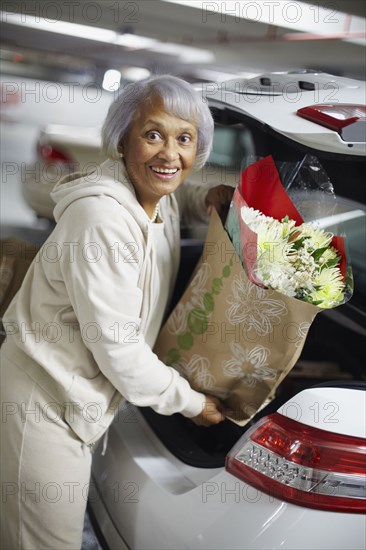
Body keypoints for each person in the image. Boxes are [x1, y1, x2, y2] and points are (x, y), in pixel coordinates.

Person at [0, 75, 234, 549]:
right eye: (153, 135)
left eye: (184, 139)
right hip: (44, 407)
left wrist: (208, 198)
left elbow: (177, 194)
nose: (170, 154)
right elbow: (120, 352)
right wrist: (192, 404)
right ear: (123, 138)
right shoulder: (102, 221)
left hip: (77, 399)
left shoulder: (152, 196)